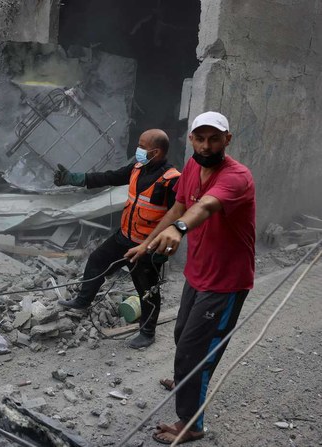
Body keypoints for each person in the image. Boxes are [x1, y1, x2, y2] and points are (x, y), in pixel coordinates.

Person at [125, 112, 255, 444]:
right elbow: (179, 207)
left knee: (197, 349)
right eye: (200, 138)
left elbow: (207, 206)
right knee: (184, 335)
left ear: (227, 139)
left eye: (214, 139)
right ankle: (188, 380)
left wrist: (179, 230)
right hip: (198, 272)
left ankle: (192, 423)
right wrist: (146, 243)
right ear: (192, 140)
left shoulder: (237, 176)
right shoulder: (192, 167)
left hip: (225, 281)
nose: (207, 145)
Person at [54, 129, 180, 349]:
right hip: (124, 237)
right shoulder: (137, 168)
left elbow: (176, 218)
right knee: (96, 260)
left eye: (142, 146)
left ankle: (147, 333)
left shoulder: (171, 180)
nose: (137, 150)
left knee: (146, 290)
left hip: (146, 247)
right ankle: (83, 300)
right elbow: (109, 177)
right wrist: (74, 179)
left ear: (156, 151)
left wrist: (160, 251)